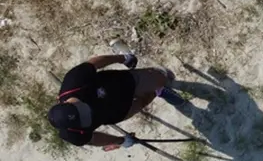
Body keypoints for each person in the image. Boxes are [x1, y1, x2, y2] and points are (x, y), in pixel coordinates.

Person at [47, 53, 184, 150]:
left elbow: (95, 63)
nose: (87, 112)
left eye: (81, 109)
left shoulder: (74, 80)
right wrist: (121, 141)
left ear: (66, 103)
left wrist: (123, 58)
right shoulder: (72, 135)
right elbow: (93, 139)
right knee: (141, 102)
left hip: (124, 82)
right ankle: (158, 92)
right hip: (119, 112)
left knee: (163, 76)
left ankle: (159, 84)